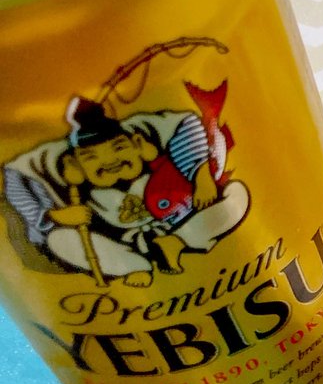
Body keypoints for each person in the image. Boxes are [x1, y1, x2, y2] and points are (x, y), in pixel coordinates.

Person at [3, 85, 249, 287]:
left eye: (118, 148)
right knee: (60, 240)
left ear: (137, 143)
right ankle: (135, 266)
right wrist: (52, 214)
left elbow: (185, 125)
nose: (110, 161)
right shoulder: (78, 190)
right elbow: (15, 175)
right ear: (74, 165)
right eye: (91, 158)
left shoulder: (160, 165)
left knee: (236, 195)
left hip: (184, 224)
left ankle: (178, 242)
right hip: (124, 244)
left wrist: (201, 174)